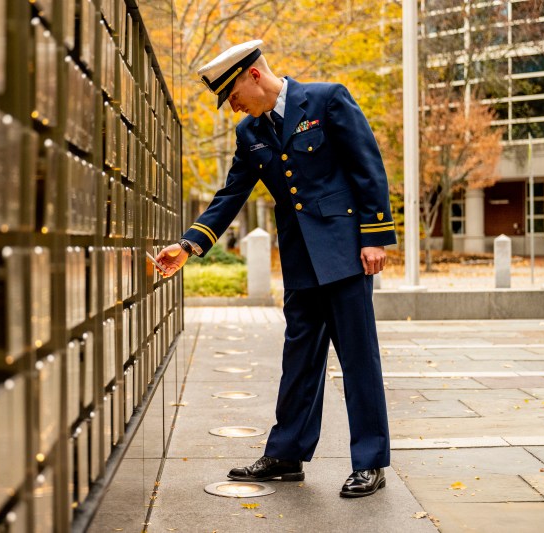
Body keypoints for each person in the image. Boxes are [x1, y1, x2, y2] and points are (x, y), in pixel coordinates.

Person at [155, 40, 395, 498]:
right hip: (301, 261)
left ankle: (370, 461)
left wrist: (375, 237)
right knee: (299, 359)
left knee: (358, 359)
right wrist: (189, 245)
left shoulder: (326, 100)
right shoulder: (250, 133)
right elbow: (231, 195)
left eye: (232, 96)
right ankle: (287, 455)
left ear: (254, 76)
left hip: (345, 254)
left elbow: (367, 167)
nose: (232, 108)